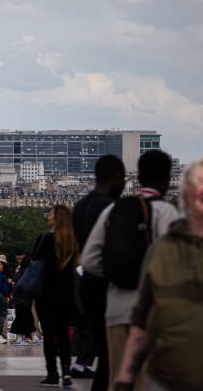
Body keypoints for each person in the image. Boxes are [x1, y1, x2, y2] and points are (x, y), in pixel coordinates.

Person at [114, 156, 203, 391]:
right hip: (169, 378)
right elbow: (142, 320)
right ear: (186, 194)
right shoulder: (161, 250)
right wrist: (125, 379)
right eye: (201, 183)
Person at [81, 150, 179, 389]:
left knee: (118, 381)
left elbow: (89, 260)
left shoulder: (113, 210)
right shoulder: (167, 213)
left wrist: (117, 274)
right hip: (153, 314)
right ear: (168, 179)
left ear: (138, 176)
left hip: (116, 310)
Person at [71, 155, 126, 391]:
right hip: (106, 285)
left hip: (86, 283)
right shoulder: (109, 207)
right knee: (110, 354)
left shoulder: (81, 206)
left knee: (103, 351)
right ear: (116, 178)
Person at [33, 206, 78, 387]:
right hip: (67, 294)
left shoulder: (46, 239)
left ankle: (52, 373)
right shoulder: (73, 241)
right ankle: (66, 371)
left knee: (49, 335)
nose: (48, 217)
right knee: (64, 334)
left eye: (50, 214)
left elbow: (36, 261)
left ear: (57, 219)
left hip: (47, 293)